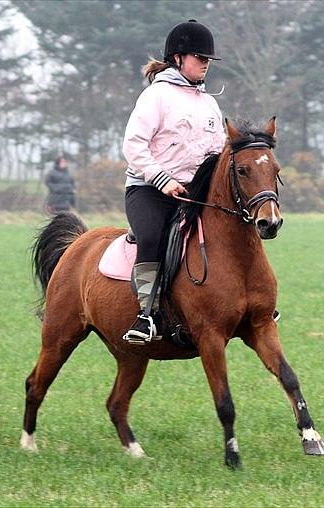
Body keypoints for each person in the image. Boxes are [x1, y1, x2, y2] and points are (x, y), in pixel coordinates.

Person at [121, 19, 226, 343]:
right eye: (200, 57)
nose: (205, 64)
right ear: (178, 58)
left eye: (208, 59)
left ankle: (250, 304)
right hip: (149, 190)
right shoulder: (156, 96)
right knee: (152, 237)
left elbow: (218, 149)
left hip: (192, 193)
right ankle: (145, 315)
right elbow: (133, 145)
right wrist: (162, 179)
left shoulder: (209, 102)